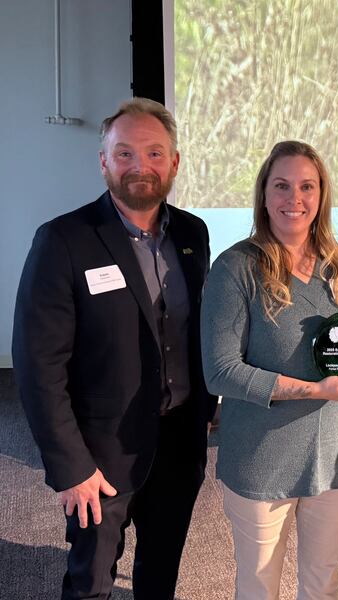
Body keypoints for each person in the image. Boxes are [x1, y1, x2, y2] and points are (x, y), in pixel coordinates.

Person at [12, 97, 216, 599]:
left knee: (160, 572)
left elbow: (198, 330)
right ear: (103, 161)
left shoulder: (192, 233)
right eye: (124, 153)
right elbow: (38, 366)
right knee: (91, 582)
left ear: (174, 162)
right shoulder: (63, 240)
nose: (140, 166)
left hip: (179, 442)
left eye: (154, 153)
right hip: (99, 455)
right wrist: (71, 467)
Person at [201, 140, 338, 599]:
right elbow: (220, 372)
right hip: (262, 460)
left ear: (321, 195)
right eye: (281, 186)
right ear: (263, 194)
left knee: (323, 583)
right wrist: (316, 390)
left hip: (332, 454)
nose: (294, 199)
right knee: (258, 587)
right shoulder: (236, 268)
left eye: (306, 187)